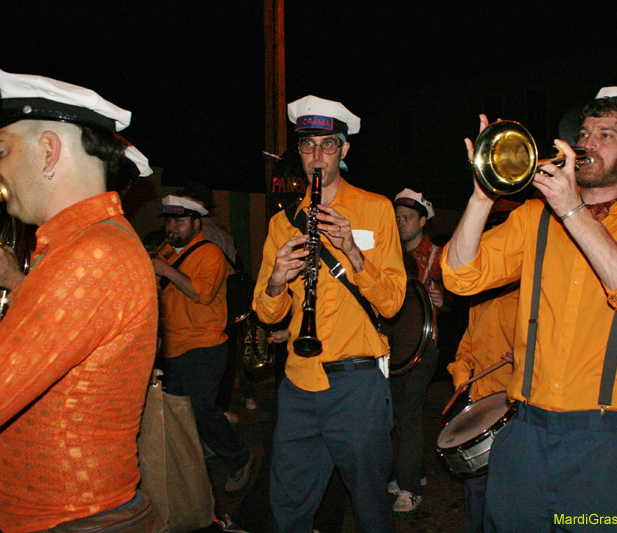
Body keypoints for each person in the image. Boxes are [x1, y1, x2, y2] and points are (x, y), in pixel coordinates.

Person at [442, 86, 617, 532]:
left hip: (604, 443)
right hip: (524, 433)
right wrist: (481, 198)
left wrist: (572, 208)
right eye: (584, 133)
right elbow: (460, 275)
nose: (586, 143)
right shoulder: (534, 217)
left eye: (605, 135)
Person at [0, 70, 166, 532]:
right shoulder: (83, 244)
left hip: (66, 517)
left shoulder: (91, 253)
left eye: (2, 150)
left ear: (48, 151)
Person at [253, 95, 406, 533]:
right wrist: (277, 280)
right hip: (298, 383)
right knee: (289, 505)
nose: (317, 156)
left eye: (327, 145)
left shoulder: (376, 209)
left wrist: (354, 254)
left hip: (357, 385)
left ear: (344, 150)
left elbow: (393, 302)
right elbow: (268, 313)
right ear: (299, 153)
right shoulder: (283, 221)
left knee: (370, 507)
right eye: (308, 146)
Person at [152, 194, 253, 492]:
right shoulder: (165, 250)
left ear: (196, 224)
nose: (173, 227)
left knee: (201, 410)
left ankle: (239, 459)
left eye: (180, 221)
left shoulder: (210, 253)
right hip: (171, 346)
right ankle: (189, 469)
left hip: (203, 345)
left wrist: (165, 269)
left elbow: (203, 293)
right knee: (174, 414)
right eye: (170, 221)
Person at [446, 204, 518, 533]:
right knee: (475, 490)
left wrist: (524, 356)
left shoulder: (531, 295)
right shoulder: (481, 296)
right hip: (480, 402)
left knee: (508, 495)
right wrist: (462, 377)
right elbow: (467, 348)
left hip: (516, 408)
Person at [390, 188, 450, 512]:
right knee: (395, 413)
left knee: (409, 413)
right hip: (392, 347)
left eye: (407, 217)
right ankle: (415, 470)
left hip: (424, 347)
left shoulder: (439, 256)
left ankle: (409, 487)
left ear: (422, 220)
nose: (401, 222)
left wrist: (444, 299)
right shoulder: (389, 252)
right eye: (397, 217)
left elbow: (458, 297)